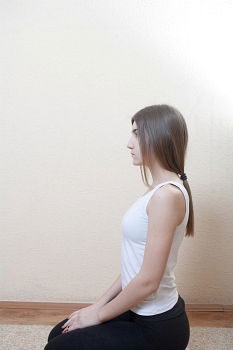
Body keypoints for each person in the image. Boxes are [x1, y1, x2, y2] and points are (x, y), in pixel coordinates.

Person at [44, 104, 194, 350]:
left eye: (136, 133)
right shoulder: (157, 192)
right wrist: (97, 306)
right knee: (58, 335)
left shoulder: (167, 196)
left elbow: (148, 281)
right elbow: (133, 268)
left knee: (58, 348)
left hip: (158, 326)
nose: (129, 143)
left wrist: (98, 316)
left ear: (157, 136)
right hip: (135, 310)